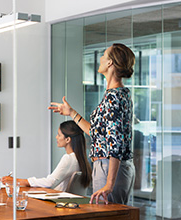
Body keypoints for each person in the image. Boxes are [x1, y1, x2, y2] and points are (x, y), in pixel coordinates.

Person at [49, 43, 136, 205]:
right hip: (110, 166)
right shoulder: (117, 94)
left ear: (110, 63)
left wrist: (109, 184)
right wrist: (71, 113)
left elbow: (115, 145)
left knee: (108, 215)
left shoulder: (114, 97)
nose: (101, 59)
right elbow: (96, 132)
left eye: (104, 55)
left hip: (108, 167)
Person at [2, 121, 92, 192]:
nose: (56, 137)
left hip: (59, 204)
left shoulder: (68, 159)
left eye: (59, 135)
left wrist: (19, 181)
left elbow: (50, 182)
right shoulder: (80, 159)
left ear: (68, 139)